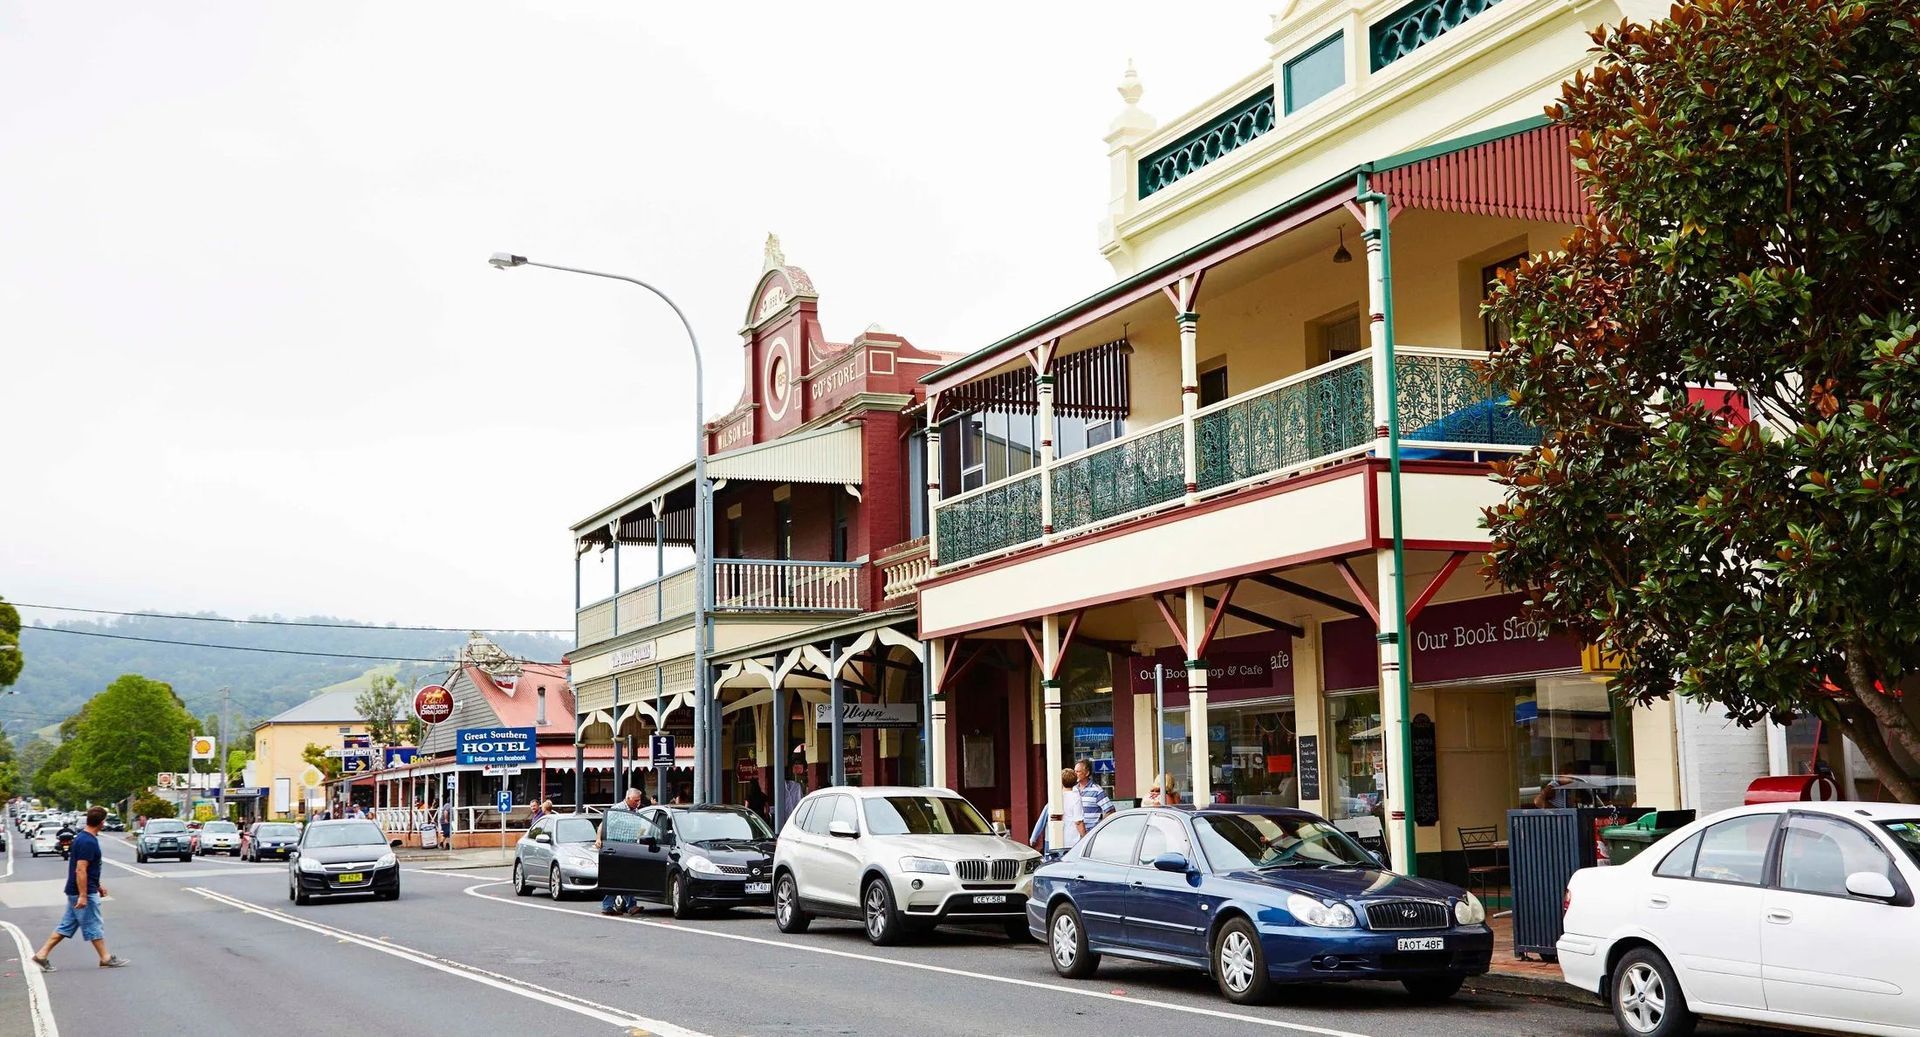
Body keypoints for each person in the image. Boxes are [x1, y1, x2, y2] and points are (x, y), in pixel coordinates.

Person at [32, 807, 127, 972]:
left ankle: (41, 955)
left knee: (66, 926)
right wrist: (84, 895)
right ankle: (105, 957)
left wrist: (97, 885)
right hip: (82, 892)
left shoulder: (83, 838)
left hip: (80, 889)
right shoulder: (88, 841)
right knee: (94, 924)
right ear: (102, 822)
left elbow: (88, 870)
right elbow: (81, 869)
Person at [595, 787, 646, 916]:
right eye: (635, 800)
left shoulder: (635, 811)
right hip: (616, 846)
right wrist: (598, 838)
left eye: (639, 801)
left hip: (630, 847)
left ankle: (629, 906)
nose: (638, 803)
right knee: (616, 877)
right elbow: (603, 824)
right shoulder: (617, 809)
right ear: (628, 798)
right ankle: (609, 906)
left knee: (627, 877)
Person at [1028, 769, 1079, 851]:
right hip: (1070, 840)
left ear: (1060, 782)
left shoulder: (1053, 802)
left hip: (1051, 839)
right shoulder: (1076, 798)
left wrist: (1033, 838)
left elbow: (1041, 821)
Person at [1072, 759, 1114, 841]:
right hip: (1074, 837)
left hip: (1090, 836)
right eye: (1074, 771)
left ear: (1087, 773)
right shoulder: (1073, 790)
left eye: (1078, 772)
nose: (1075, 774)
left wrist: (1098, 829)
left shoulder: (1097, 790)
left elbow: (1110, 811)